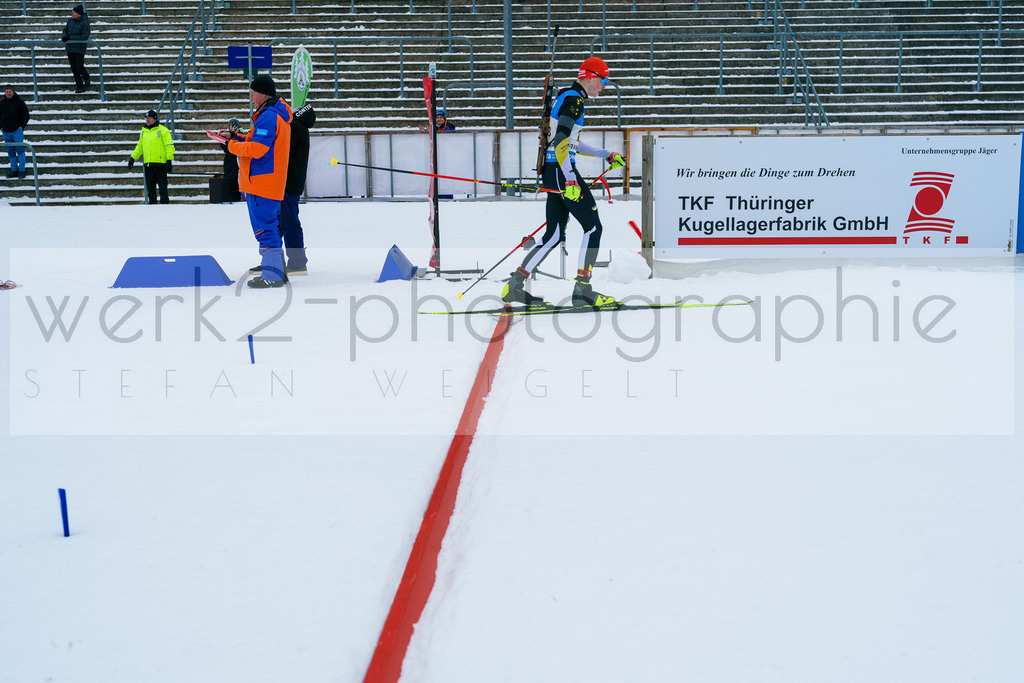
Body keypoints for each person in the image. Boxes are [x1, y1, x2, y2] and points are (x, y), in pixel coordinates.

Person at [501, 56, 626, 307]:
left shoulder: (567, 96)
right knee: (593, 227)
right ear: (590, 77)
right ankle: (583, 290)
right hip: (561, 170)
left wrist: (606, 154)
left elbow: (569, 142)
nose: (603, 86)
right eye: (603, 80)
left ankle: (514, 285)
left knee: (554, 233)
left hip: (553, 169)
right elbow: (560, 142)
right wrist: (571, 179)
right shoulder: (574, 100)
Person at [219, 74, 292, 289]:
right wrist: (234, 137)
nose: (251, 99)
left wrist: (231, 148)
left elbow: (258, 150)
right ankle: (276, 270)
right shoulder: (270, 115)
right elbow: (253, 140)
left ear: (261, 94)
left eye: (252, 94)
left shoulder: (269, 117)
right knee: (268, 227)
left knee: (265, 229)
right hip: (265, 182)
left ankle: (274, 274)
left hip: (262, 183)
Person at [250, 103, 315, 277]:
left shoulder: (295, 128)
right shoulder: (299, 128)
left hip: (287, 183)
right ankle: (277, 262)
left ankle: (296, 262)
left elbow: (273, 146)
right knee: (280, 221)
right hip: (289, 182)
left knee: (287, 221)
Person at [128, 110, 175, 204]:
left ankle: (165, 209)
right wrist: (133, 158)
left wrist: (169, 160)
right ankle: (152, 212)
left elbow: (169, 146)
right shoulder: (143, 131)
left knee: (163, 190)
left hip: (160, 165)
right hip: (148, 165)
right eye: (146, 118)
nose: (147, 119)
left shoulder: (163, 130)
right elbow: (140, 146)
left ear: (155, 119)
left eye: (149, 117)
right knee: (151, 191)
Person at [61, 4, 91, 94]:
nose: (71, 13)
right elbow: (65, 29)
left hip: (79, 48)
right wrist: (65, 36)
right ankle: (80, 87)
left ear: (78, 14)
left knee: (79, 66)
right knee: (74, 68)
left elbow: (85, 36)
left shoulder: (85, 22)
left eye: (73, 12)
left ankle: (86, 77)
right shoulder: (70, 20)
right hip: (70, 48)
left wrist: (70, 38)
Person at [1, 86, 30, 180]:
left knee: (20, 150)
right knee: (10, 151)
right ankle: (14, 170)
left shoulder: (19, 102)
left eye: (10, 91)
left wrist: (22, 126)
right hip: (6, 131)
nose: (8, 93)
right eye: (6, 91)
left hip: (17, 130)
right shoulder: (2, 103)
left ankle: (22, 170)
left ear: (13, 92)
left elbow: (26, 115)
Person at [218, 117, 242, 202]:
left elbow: (240, 146)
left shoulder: (240, 135)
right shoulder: (227, 135)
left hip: (237, 164)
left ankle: (229, 200)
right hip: (229, 163)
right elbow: (224, 146)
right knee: (230, 183)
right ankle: (229, 200)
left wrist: (234, 135)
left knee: (229, 182)